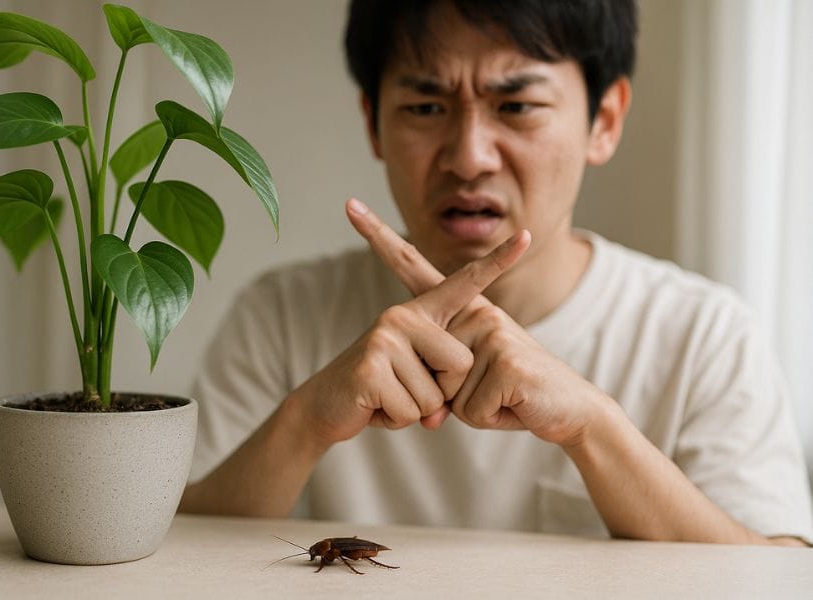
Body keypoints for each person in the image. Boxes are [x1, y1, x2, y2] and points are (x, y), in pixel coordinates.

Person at [179, 0, 812, 545]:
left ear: (605, 120)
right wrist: (306, 421)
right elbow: (176, 551)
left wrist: (592, 427)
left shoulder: (704, 334)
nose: (469, 156)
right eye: (426, 107)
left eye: (517, 106)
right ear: (372, 121)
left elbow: (779, 573)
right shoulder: (282, 316)